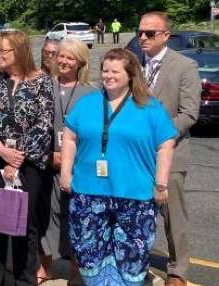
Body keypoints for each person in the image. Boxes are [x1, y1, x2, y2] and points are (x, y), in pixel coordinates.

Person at [59, 48, 177, 285]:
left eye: (115, 71)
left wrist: (161, 183)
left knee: (133, 253)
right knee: (88, 250)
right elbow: (69, 138)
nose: (108, 76)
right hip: (89, 192)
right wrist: (65, 173)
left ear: (131, 74)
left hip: (135, 193)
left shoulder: (149, 107)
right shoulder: (87, 103)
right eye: (105, 70)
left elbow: (166, 145)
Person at [0, 30, 54, 286]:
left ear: (21, 51)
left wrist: (17, 160)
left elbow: (43, 123)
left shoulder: (42, 82)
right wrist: (1, 150)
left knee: (26, 227)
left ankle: (25, 280)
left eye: (4, 50)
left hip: (28, 166)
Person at [137, 12, 201, 286]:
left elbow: (189, 113)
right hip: (137, 156)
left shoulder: (185, 66)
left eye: (149, 34)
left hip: (171, 153)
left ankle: (177, 270)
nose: (142, 38)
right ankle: (136, 261)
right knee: (138, 212)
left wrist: (159, 138)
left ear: (165, 35)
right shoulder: (136, 66)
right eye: (140, 32)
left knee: (172, 216)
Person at [36, 39, 96, 285]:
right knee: (45, 216)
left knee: (78, 218)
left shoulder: (91, 93)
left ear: (80, 61)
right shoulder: (42, 87)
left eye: (70, 58)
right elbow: (31, 127)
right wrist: (47, 155)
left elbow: (94, 133)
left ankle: (76, 271)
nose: (63, 61)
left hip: (79, 168)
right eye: (61, 56)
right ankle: (43, 267)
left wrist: (72, 159)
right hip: (47, 163)